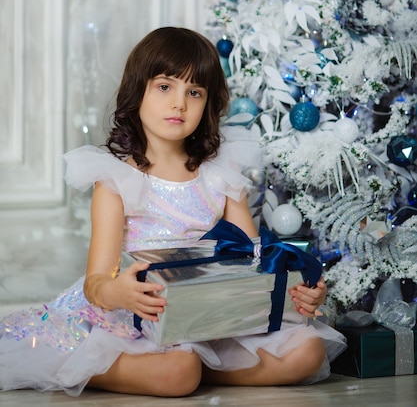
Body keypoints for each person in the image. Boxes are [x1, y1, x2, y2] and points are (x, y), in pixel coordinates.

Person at [0, 27, 346, 397]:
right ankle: (81, 364)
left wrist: (301, 289)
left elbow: (255, 261)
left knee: (308, 353)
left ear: (208, 104)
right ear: (138, 92)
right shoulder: (116, 178)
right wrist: (121, 292)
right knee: (178, 371)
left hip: (210, 310)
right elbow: (96, 282)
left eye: (194, 92)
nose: (179, 103)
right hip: (137, 315)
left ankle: (204, 369)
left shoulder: (220, 174)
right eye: (165, 87)